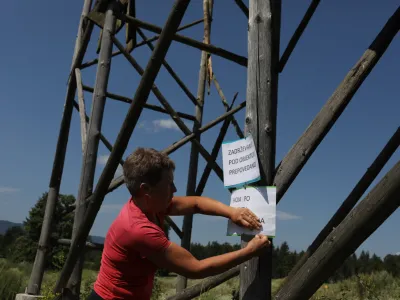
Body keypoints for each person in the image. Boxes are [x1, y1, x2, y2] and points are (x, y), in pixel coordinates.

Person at [88, 148, 271, 300]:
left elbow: (196, 204)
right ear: (146, 189)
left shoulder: (150, 204)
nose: (175, 189)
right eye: (169, 184)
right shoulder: (139, 230)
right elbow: (196, 268)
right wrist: (249, 252)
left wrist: (232, 212)